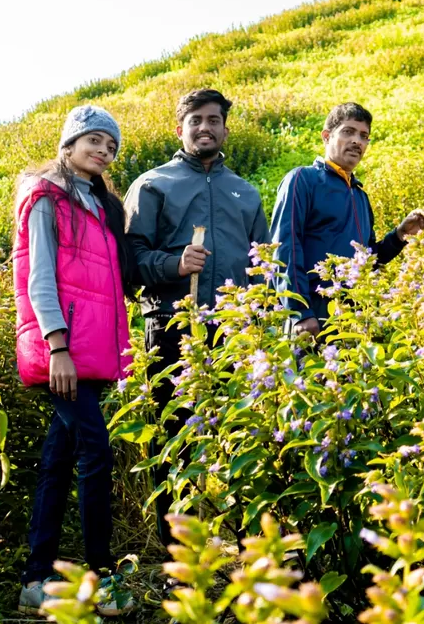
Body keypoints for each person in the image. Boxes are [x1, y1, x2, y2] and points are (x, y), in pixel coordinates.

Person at [122, 88, 268, 547]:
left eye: (213, 120)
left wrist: (257, 320)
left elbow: (263, 266)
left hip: (231, 329)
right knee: (173, 438)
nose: (205, 128)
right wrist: (174, 265)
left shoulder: (245, 193)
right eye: (195, 121)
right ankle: (178, 553)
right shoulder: (152, 185)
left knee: (241, 434)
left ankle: (247, 548)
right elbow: (129, 262)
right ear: (179, 128)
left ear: (225, 128)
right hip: (169, 323)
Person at [12, 104, 137, 616]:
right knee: (96, 453)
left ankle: (35, 580)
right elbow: (39, 277)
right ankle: (101, 576)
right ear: (69, 144)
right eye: (94, 140)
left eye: (111, 146)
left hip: (87, 353)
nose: (103, 151)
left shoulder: (101, 205)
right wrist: (57, 346)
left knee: (59, 462)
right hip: (61, 351)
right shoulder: (47, 196)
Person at [270, 102, 424, 336]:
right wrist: (300, 312)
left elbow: (368, 260)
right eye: (348, 132)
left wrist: (400, 235)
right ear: (326, 137)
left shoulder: (360, 195)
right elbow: (285, 246)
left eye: (364, 136)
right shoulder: (302, 179)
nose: (357, 141)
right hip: (314, 315)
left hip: (356, 317)